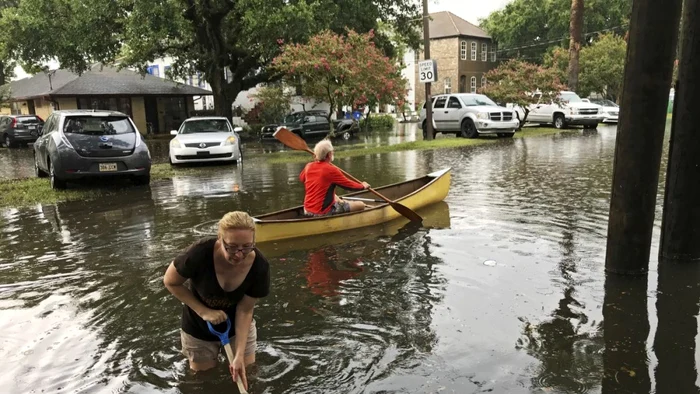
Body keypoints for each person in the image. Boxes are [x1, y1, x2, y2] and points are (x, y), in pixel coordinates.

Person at [163, 211, 270, 391]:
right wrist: (204, 311)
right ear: (220, 239)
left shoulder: (260, 266)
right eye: (232, 247)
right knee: (203, 381)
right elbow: (170, 282)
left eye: (246, 246)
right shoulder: (199, 253)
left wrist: (238, 355)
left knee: (247, 372)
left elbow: (245, 311)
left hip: (238, 326)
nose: (239, 254)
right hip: (198, 325)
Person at [300, 139, 370, 217]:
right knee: (361, 205)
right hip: (322, 212)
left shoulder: (308, 166)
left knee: (335, 197)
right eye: (332, 151)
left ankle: (342, 202)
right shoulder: (331, 170)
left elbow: (302, 178)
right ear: (329, 154)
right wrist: (362, 186)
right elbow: (349, 185)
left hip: (306, 210)